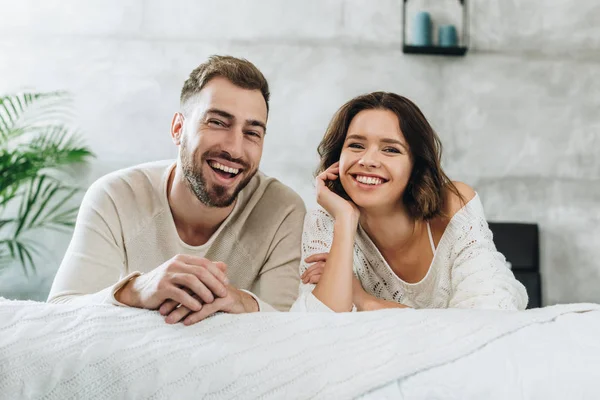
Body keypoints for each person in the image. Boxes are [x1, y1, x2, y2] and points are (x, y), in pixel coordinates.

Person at [48, 55, 306, 325]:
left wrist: (240, 301)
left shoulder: (283, 211)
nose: (234, 148)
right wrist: (136, 290)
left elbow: (289, 328)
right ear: (178, 129)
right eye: (217, 122)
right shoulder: (114, 196)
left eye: (252, 133)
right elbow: (57, 314)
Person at [291, 91, 528, 312]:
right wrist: (345, 219)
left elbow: (486, 316)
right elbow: (317, 327)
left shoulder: (454, 205)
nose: (368, 160)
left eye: (390, 150)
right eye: (356, 145)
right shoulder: (327, 218)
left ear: (416, 164)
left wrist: (364, 300)